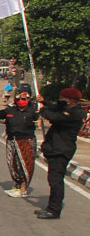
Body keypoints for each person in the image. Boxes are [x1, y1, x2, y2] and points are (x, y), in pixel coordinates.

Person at [0, 86, 39, 198]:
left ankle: (23, 189)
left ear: (29, 98)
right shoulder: (11, 109)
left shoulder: (33, 110)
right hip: (11, 140)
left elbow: (42, 118)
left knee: (25, 164)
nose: (21, 100)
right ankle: (16, 186)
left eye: (24, 98)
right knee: (12, 164)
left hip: (26, 140)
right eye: (18, 98)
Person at [35, 88, 88, 219]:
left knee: (55, 180)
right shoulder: (67, 109)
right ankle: (52, 207)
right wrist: (44, 102)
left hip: (61, 150)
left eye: (62, 98)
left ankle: (54, 210)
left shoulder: (75, 113)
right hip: (56, 148)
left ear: (70, 100)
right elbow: (55, 108)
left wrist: (43, 110)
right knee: (53, 179)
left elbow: (55, 117)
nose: (60, 100)